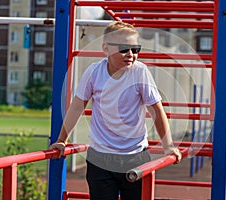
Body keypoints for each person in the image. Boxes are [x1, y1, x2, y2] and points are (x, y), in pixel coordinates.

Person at [50, 21, 182, 200]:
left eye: (135, 49)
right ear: (106, 49)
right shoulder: (94, 72)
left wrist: (168, 146)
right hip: (100, 157)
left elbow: (156, 111)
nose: (131, 54)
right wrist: (61, 140)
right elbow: (77, 107)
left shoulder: (139, 72)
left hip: (134, 156)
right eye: (124, 48)